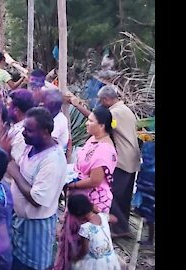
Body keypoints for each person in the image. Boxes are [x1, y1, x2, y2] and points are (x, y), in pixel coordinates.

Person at [0, 107, 67, 270]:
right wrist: (6, 154)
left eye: (29, 130)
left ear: (44, 132)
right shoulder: (31, 146)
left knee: (33, 267)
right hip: (20, 221)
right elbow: (16, 165)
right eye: (24, 129)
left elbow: (37, 200)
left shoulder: (52, 161)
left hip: (37, 227)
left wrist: (14, 173)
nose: (23, 133)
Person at [69, 85, 140, 237]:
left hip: (122, 160)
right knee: (123, 198)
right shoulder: (125, 109)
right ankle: (121, 227)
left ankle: (118, 228)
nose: (100, 104)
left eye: (101, 101)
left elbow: (98, 121)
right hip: (130, 158)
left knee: (109, 195)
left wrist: (77, 105)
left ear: (107, 99)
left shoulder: (115, 113)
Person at [55, 106, 118, 270]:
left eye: (90, 121)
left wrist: (71, 184)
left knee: (80, 239)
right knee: (72, 235)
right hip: (81, 195)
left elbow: (95, 180)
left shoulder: (104, 150)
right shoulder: (94, 139)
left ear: (102, 125)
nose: (86, 124)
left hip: (92, 197)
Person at [67, 194, 121, 270]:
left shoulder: (85, 228)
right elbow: (115, 219)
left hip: (96, 263)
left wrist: (76, 258)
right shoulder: (103, 217)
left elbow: (84, 250)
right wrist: (98, 212)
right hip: (110, 259)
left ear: (77, 214)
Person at [0, 89, 35, 185]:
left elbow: (16, 168)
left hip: (12, 189)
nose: (7, 108)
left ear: (16, 110)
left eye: (8, 105)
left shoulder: (23, 135)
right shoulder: (16, 126)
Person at [134, 141, 155, 246]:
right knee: (147, 215)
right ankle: (150, 239)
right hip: (146, 193)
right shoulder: (144, 165)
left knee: (149, 216)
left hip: (150, 194)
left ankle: (150, 240)